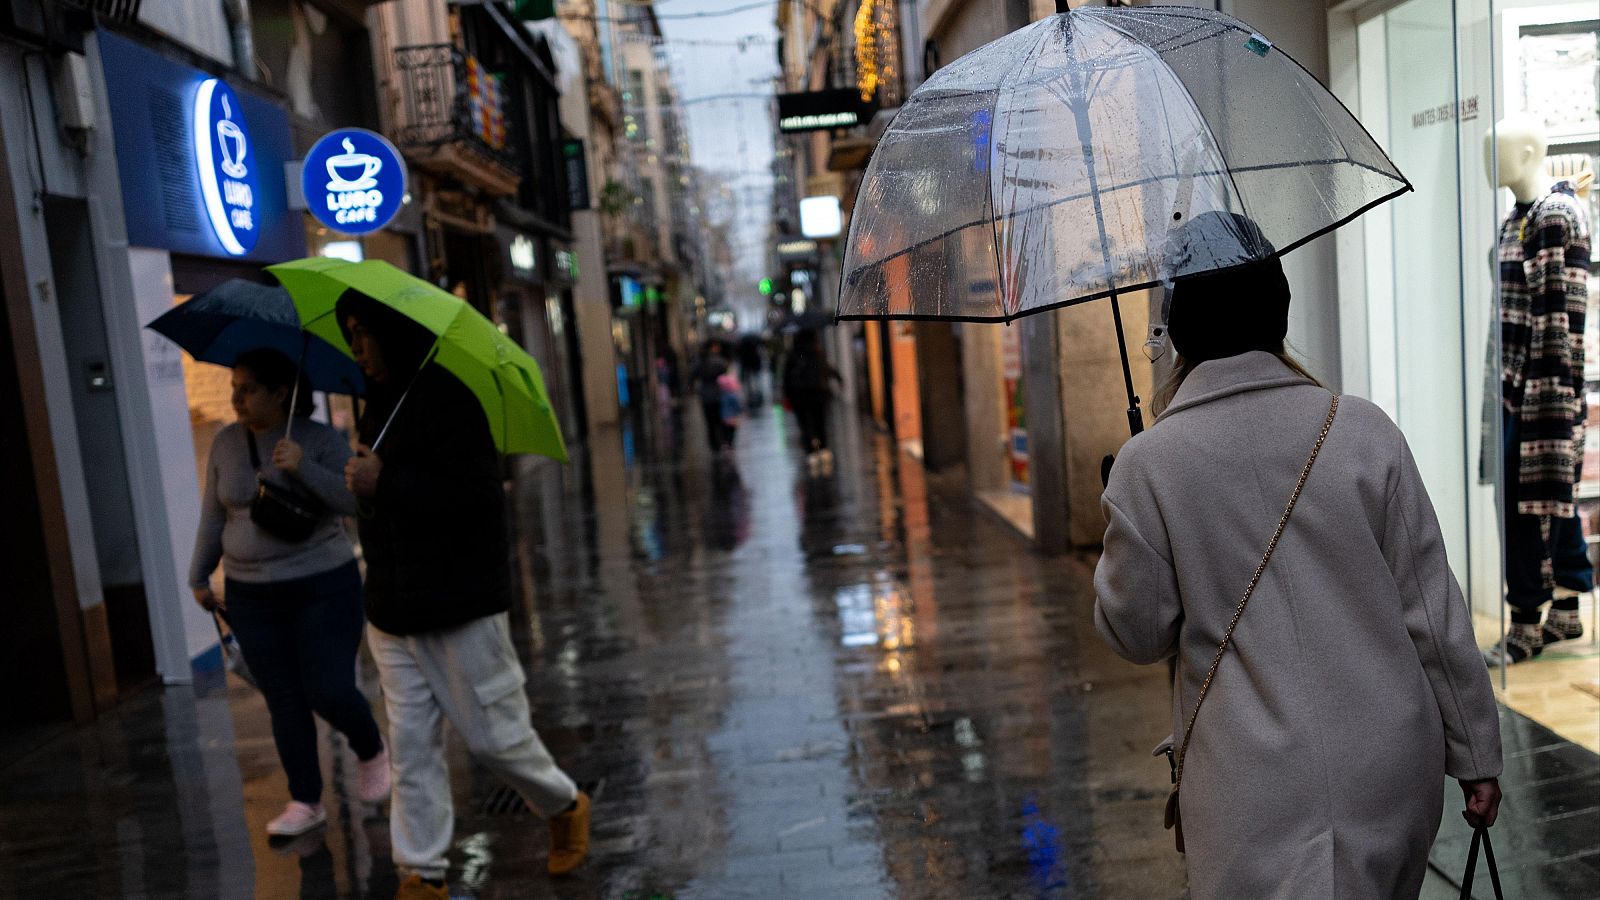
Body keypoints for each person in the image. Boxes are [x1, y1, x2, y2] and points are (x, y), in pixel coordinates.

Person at [1093, 214, 1502, 899]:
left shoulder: (1149, 465)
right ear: (1277, 313)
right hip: (1390, 771)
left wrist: (1123, 510)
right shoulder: (1364, 431)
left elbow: (1137, 632)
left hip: (1247, 792)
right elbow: (1433, 612)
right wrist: (1477, 756)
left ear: (1182, 330)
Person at [337, 294, 591, 900]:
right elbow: (384, 507)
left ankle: (564, 805)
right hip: (392, 609)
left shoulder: (452, 400)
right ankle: (421, 873)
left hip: (458, 606)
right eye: (349, 336)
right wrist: (365, 489)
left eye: (365, 334)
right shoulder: (375, 405)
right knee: (411, 749)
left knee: (493, 740)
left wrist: (385, 481)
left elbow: (476, 502)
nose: (358, 350)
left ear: (392, 333)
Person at [189, 347, 388, 838]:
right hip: (251, 593)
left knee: (329, 687)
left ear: (281, 392)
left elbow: (352, 501)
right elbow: (215, 515)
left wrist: (303, 467)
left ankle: (372, 749)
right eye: (234, 387)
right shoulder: (226, 443)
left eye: (248, 389)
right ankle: (305, 800)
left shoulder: (319, 439)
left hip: (323, 584)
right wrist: (199, 574)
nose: (237, 398)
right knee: (283, 697)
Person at [782, 329, 841, 475]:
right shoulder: (817, 352)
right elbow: (827, 368)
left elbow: (786, 377)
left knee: (805, 424)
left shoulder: (793, 354)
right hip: (818, 393)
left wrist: (786, 395)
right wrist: (839, 378)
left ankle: (811, 453)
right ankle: (824, 449)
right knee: (820, 421)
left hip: (799, 396)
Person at [694, 340, 732, 455]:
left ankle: (714, 444)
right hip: (717, 394)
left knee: (709, 422)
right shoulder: (718, 361)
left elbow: (694, 373)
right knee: (719, 420)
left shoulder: (699, 363)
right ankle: (721, 441)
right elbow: (725, 369)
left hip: (706, 396)